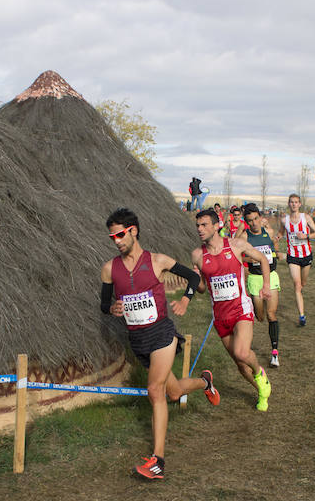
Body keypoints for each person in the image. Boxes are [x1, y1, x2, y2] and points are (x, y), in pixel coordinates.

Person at [101, 208, 219, 481]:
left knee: (155, 390)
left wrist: (187, 300)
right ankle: (205, 383)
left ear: (134, 231)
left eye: (120, 234)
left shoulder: (158, 260)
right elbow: (103, 305)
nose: (116, 241)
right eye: (112, 237)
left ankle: (158, 461)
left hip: (162, 333)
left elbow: (193, 278)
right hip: (138, 340)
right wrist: (113, 308)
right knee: (174, 392)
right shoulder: (109, 269)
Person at [191, 208, 274, 412]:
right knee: (239, 364)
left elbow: (263, 259)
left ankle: (259, 372)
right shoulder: (197, 255)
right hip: (220, 316)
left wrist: (265, 285)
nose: (200, 229)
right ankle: (261, 391)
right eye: (198, 226)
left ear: (217, 225)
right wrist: (193, 278)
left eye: (204, 225)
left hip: (241, 309)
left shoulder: (235, 245)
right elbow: (202, 289)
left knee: (242, 352)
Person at [237, 203, 281, 367]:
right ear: (247, 222)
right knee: (260, 316)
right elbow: (237, 257)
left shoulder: (268, 232)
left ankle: (274, 353)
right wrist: (250, 259)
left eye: (256, 219)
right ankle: (257, 314)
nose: (254, 223)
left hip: (271, 275)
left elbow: (274, 250)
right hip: (255, 279)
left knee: (271, 315)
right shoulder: (244, 238)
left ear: (261, 218)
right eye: (250, 221)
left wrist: (276, 245)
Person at [277, 193, 315, 327]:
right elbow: (281, 233)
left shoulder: (305, 217)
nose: (294, 204)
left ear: (300, 204)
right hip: (293, 256)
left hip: (306, 256)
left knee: (303, 284)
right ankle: (302, 316)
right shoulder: (285, 220)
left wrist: (306, 236)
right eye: (291, 202)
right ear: (288, 204)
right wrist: (276, 237)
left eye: (296, 202)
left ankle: (300, 298)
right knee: (297, 285)